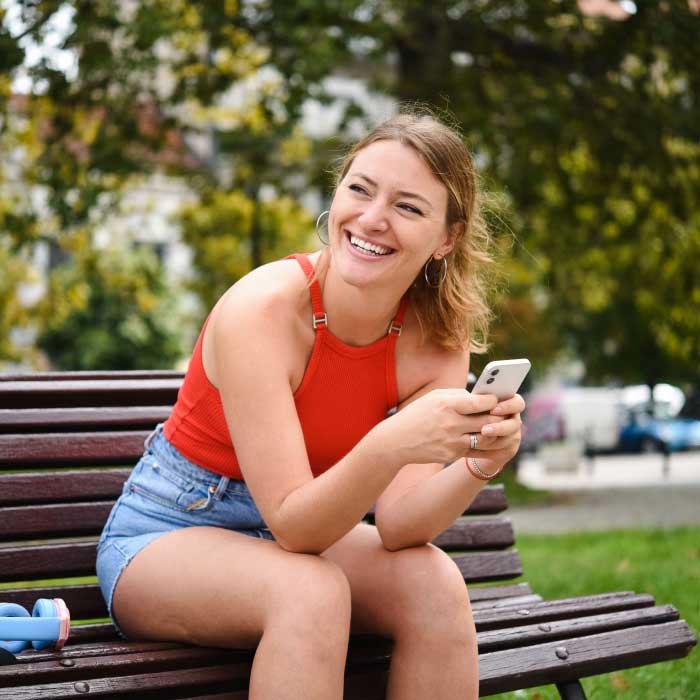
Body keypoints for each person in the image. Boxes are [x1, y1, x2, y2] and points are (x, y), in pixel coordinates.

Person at [96, 110, 525, 700]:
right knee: (310, 590)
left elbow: (399, 525)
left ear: (446, 238)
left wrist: (480, 463)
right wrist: (393, 442)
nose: (372, 219)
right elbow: (295, 527)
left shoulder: (434, 342)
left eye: (408, 207)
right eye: (360, 188)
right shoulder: (263, 311)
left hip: (299, 537)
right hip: (168, 533)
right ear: (337, 192)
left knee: (435, 584)